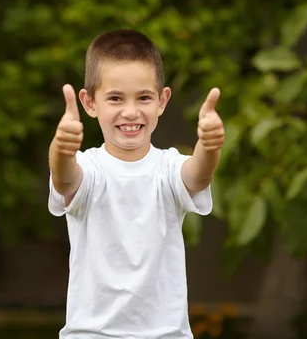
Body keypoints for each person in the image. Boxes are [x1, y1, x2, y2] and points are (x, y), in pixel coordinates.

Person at [48, 29, 225, 338]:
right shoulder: (89, 169)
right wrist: (61, 149)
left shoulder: (169, 169)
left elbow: (198, 175)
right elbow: (65, 179)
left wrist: (209, 146)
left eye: (144, 97)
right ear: (89, 103)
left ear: (162, 100)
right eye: (115, 98)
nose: (130, 112)